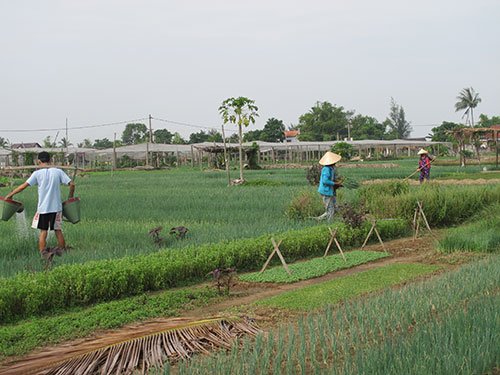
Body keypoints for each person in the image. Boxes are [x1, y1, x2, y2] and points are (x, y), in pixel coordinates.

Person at [6, 151, 75, 255]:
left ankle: (43, 254)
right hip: (56, 208)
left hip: (43, 208)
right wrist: (70, 198)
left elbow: (23, 186)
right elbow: (72, 184)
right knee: (57, 230)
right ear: (50, 160)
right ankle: (62, 251)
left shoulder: (37, 174)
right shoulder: (58, 172)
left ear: (38, 161)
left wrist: (10, 194)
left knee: (43, 232)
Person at [316, 151, 342, 221]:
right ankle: (329, 224)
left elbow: (330, 179)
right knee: (330, 209)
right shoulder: (326, 169)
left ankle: (318, 219)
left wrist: (337, 183)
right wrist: (335, 183)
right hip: (326, 191)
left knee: (333, 207)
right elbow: (325, 181)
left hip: (330, 191)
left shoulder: (331, 168)